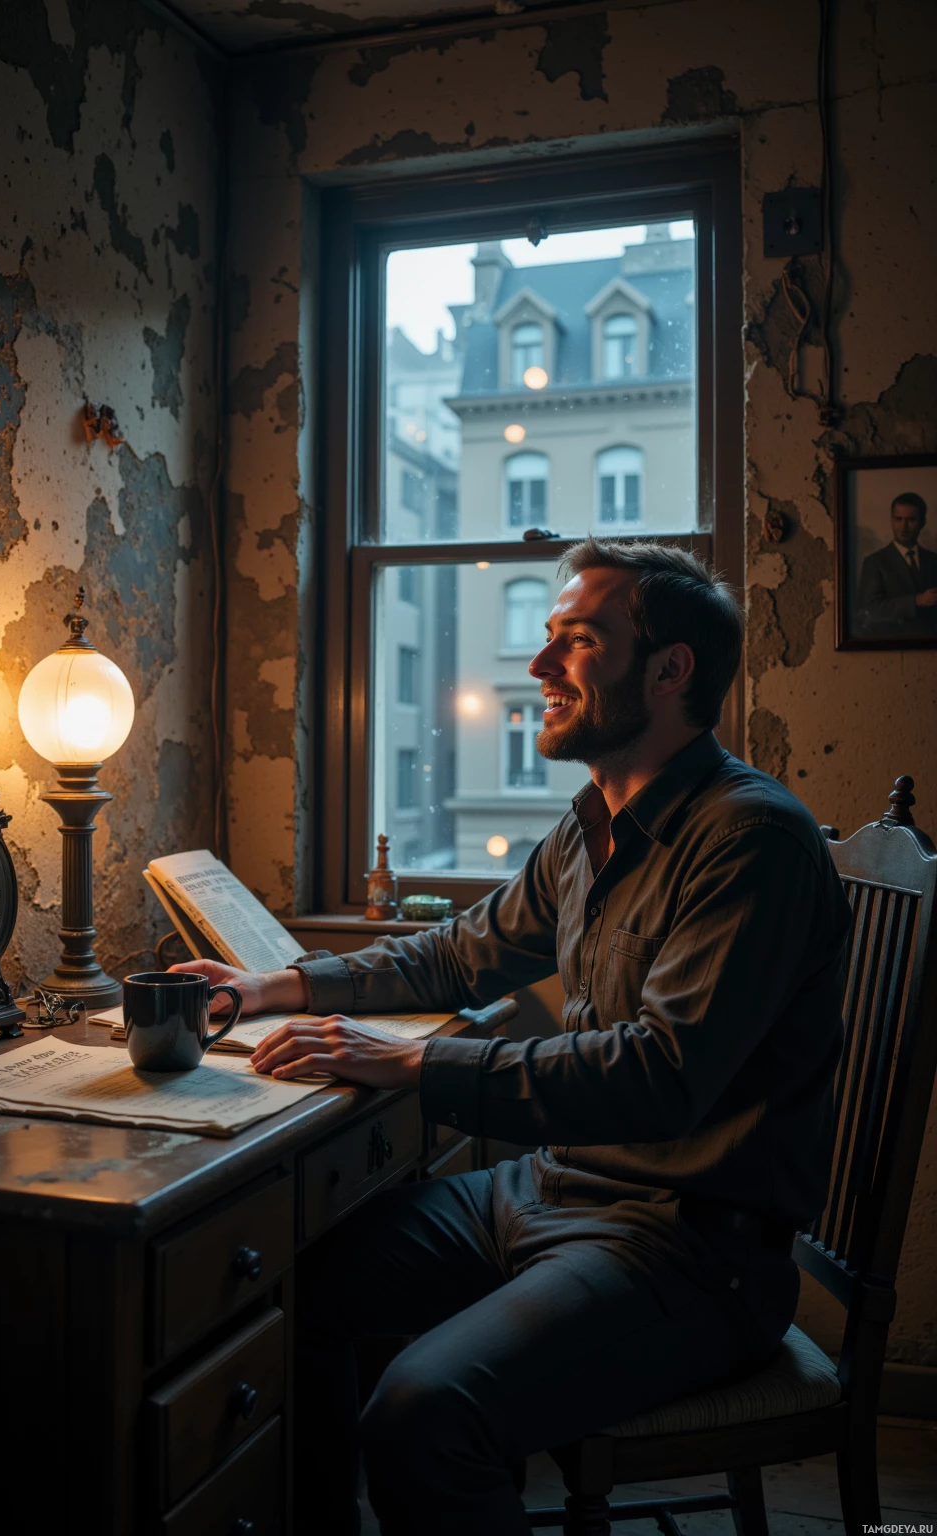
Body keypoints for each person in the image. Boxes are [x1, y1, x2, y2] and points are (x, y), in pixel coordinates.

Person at [176, 540, 851, 1536]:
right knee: (289, 1288)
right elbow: (458, 954)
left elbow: (660, 1077)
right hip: (548, 1195)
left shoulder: (750, 841)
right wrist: (275, 983)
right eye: (546, 640)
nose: (538, 667)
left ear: (670, 671)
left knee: (423, 1413)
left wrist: (415, 1061)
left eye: (576, 641)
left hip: (687, 1251)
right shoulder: (589, 826)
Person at [856, 491, 937, 636]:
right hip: (891, 645)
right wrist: (916, 601)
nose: (903, 526)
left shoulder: (933, 560)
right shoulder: (875, 562)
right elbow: (868, 610)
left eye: (911, 520)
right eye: (898, 519)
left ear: (922, 523)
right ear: (891, 521)